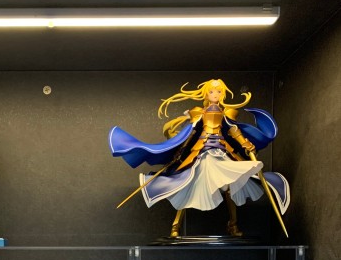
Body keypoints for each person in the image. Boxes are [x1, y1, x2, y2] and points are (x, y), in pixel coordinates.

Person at [110, 78, 290, 236]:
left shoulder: (227, 113)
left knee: (230, 186)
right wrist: (179, 150)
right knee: (188, 185)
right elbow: (190, 133)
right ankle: (175, 226)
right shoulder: (199, 112)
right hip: (202, 153)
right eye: (212, 91)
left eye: (218, 92)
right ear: (206, 93)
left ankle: (233, 225)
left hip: (222, 151)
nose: (215, 94)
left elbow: (233, 130)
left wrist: (246, 143)